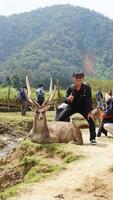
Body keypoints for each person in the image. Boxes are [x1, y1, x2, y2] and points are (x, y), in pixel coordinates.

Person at [57, 71, 96, 144]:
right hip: (72, 106)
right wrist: (68, 100)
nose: (78, 79)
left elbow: (89, 100)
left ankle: (92, 138)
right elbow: (66, 101)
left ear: (83, 79)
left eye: (80, 78)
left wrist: (90, 112)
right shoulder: (70, 88)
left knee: (91, 120)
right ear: (73, 78)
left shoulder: (87, 88)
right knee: (60, 118)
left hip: (83, 107)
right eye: (76, 77)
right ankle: (61, 135)